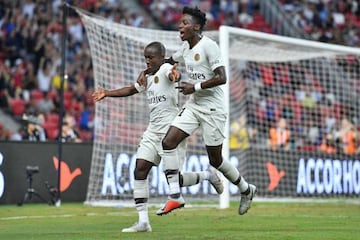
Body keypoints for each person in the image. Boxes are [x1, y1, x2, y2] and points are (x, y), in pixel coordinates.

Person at [92, 42, 223, 233]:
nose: (147, 60)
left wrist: (174, 75)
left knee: (175, 179)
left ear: (161, 57)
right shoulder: (147, 75)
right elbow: (131, 89)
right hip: (152, 131)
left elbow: (173, 75)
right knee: (140, 169)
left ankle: (207, 175)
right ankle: (143, 222)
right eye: (145, 57)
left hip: (172, 132)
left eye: (151, 57)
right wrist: (107, 93)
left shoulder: (165, 69)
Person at [157, 6, 256, 216]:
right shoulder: (185, 49)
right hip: (194, 106)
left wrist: (195, 87)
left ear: (196, 27)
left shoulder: (209, 46)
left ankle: (246, 190)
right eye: (180, 22)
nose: (179, 25)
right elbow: (169, 62)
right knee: (168, 142)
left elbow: (222, 77)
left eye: (184, 23)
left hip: (213, 109)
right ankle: (175, 196)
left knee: (216, 160)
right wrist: (151, 71)